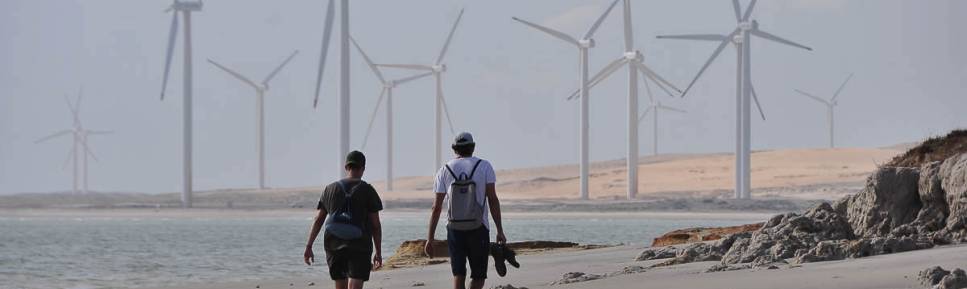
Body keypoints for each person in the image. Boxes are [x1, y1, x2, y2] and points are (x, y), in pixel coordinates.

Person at [425, 132, 507, 289]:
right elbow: (493, 200)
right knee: (478, 275)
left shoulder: (444, 170)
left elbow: (436, 207)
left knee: (458, 274)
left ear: (454, 149)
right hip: (479, 228)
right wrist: (499, 230)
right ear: (473, 147)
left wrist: (430, 238)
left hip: (454, 229)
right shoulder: (484, 166)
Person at [304, 151, 383, 289]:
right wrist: (378, 252)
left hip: (333, 242)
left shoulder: (330, 189)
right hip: (360, 244)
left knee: (340, 282)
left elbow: (318, 220)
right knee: (356, 281)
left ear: (346, 167)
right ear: (363, 168)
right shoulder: (368, 190)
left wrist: (309, 246)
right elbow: (375, 225)